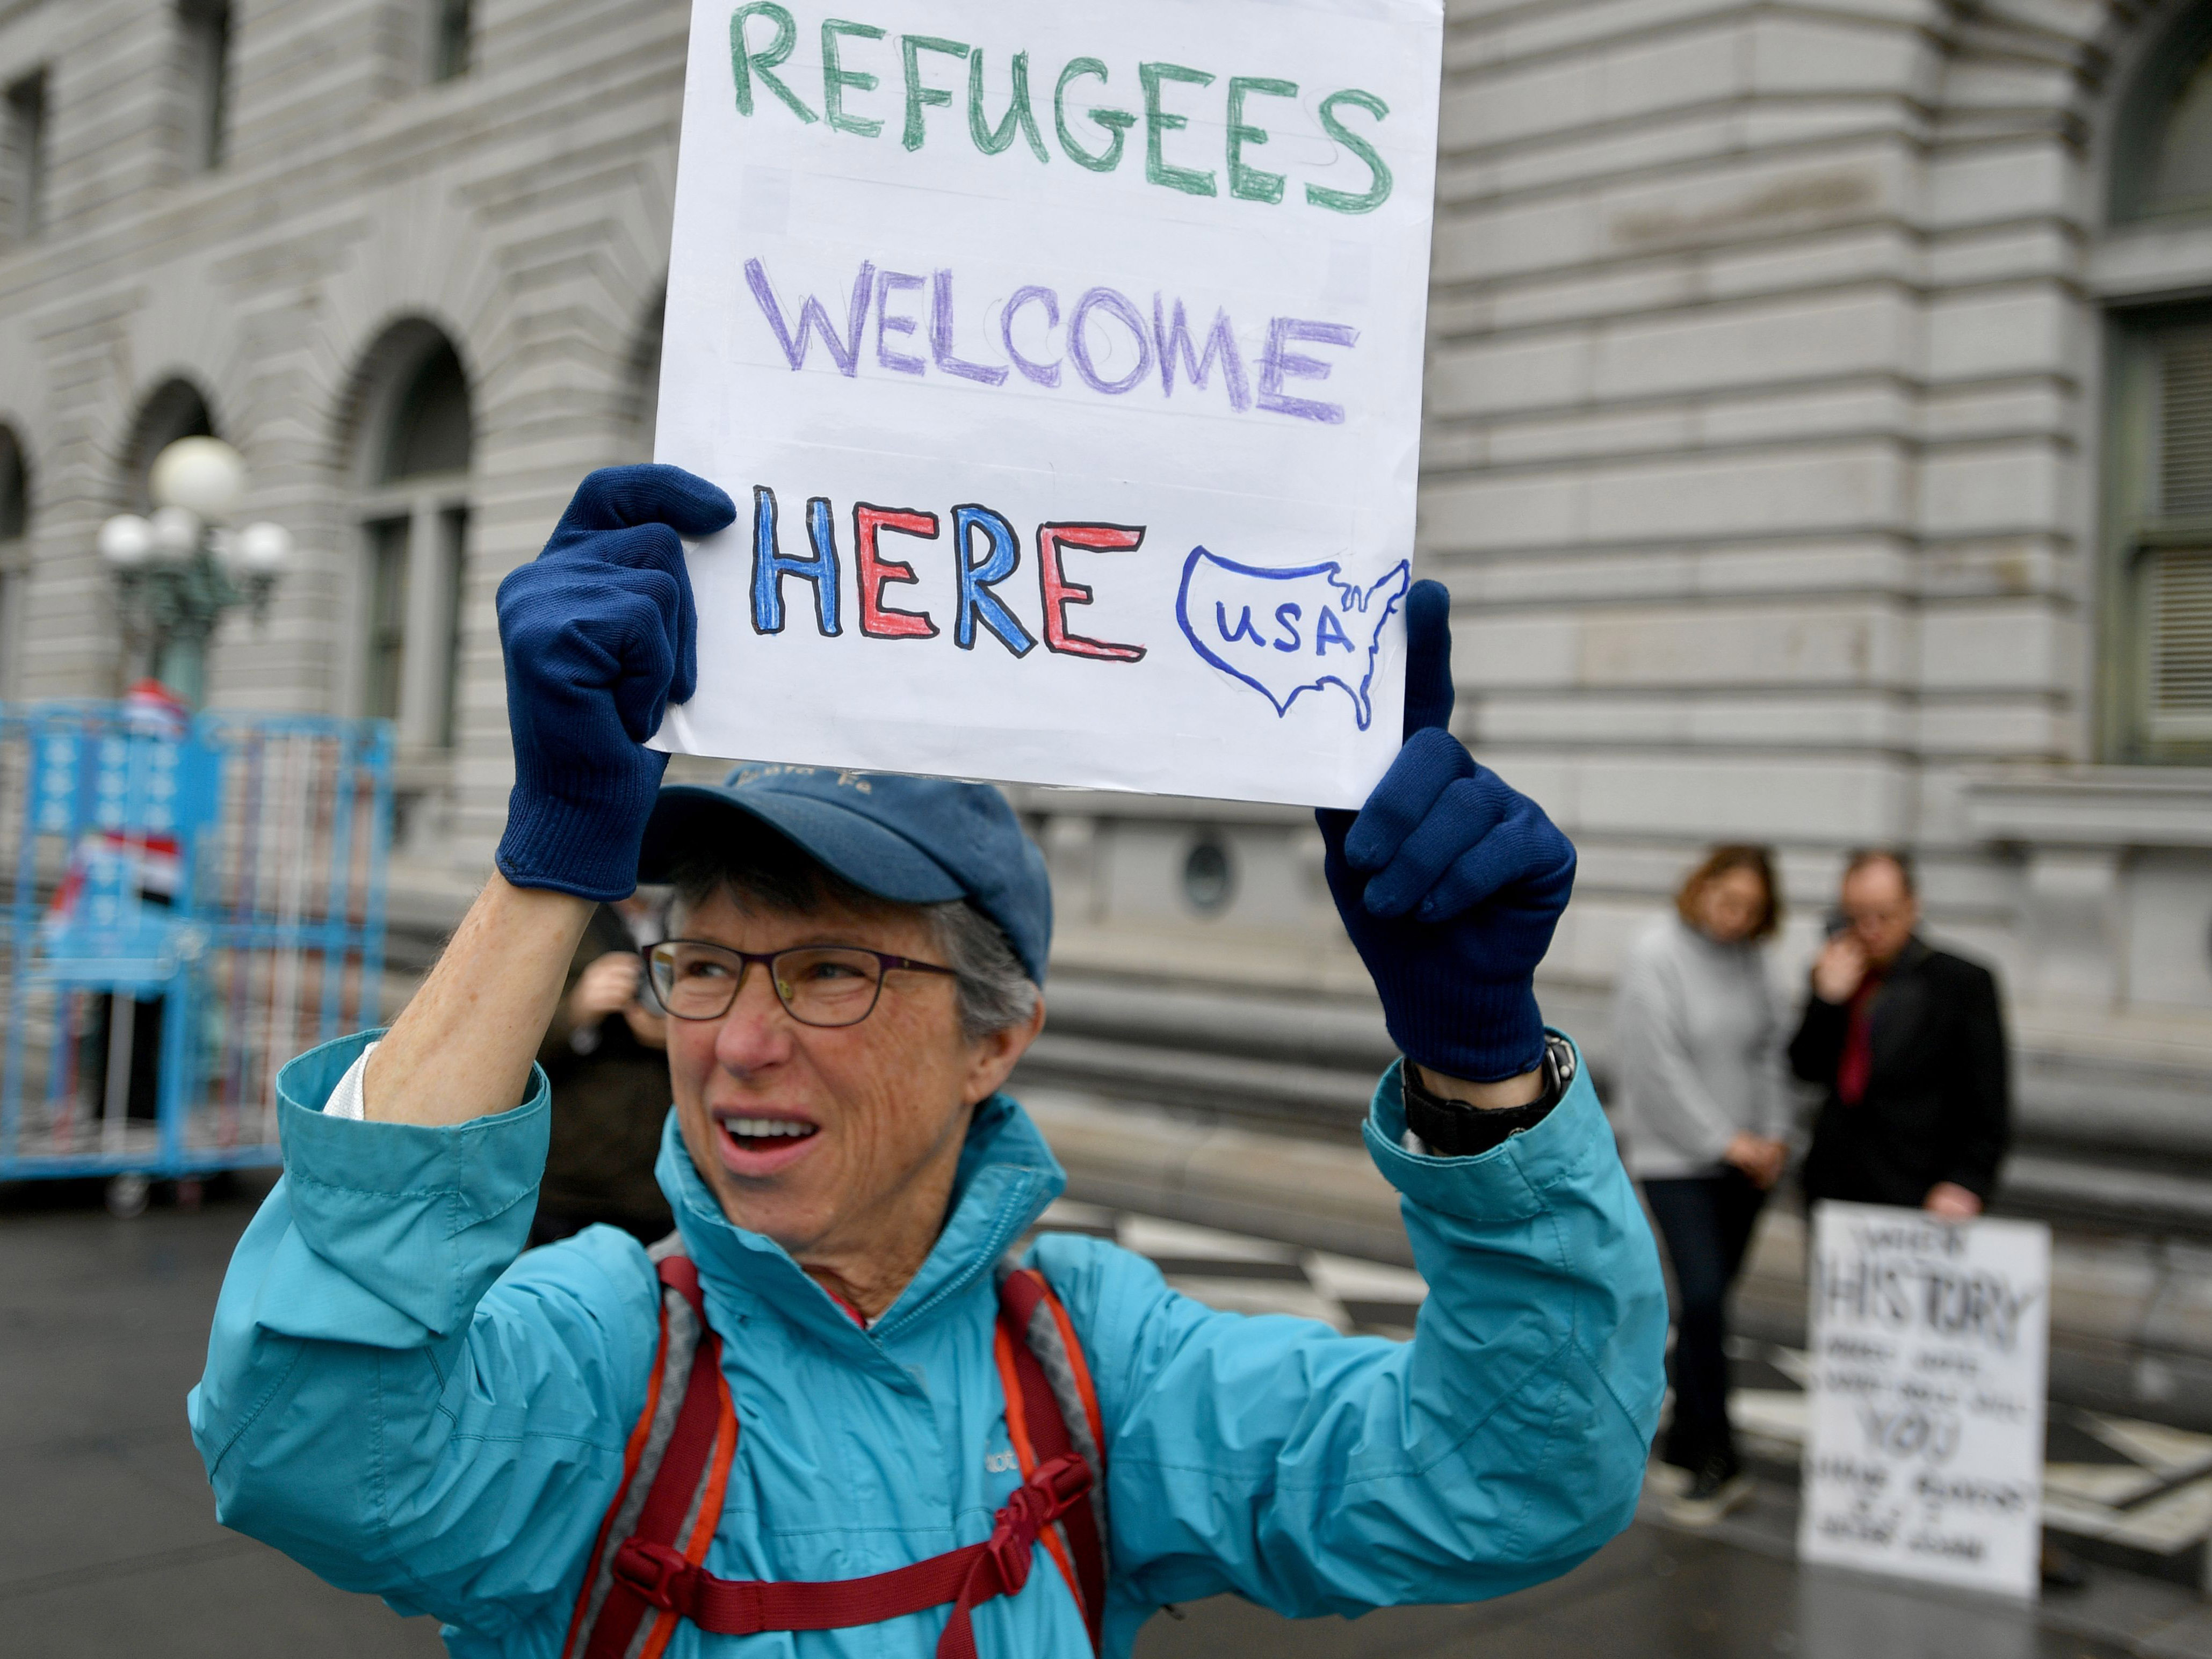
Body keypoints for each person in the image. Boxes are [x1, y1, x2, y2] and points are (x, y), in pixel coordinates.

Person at [188, 467, 1667, 1659]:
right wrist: (543, 864)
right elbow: (307, 1446)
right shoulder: (601, 1354)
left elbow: (1512, 1479)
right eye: (703, 965)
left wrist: (1475, 1064)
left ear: (996, 1037)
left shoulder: (1098, 1365)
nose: (738, 1044)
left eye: (833, 969)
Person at [1610, 846, 1794, 1527]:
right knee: (1707, 1297)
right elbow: (1654, 1070)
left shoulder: (1755, 960)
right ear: (1700, 889)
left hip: (1748, 1165)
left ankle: (1681, 1441)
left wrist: (1774, 1136)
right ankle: (1720, 1454)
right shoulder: (1654, 954)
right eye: (1726, 902)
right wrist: (1725, 1140)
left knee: (1704, 1308)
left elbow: (1772, 1049)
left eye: (1750, 908)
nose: (1734, 918)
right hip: (1675, 1160)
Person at [1790, 849, 2009, 1219]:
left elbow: (1987, 1096)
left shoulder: (1962, 983)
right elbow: (1804, 1067)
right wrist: (1826, 1001)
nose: (1870, 929)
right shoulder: (1837, 973)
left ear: (1912, 907)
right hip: (1835, 1183)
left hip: (1920, 1188)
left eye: (1883, 915)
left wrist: (1967, 1180)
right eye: (1856, 917)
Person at [531, 895, 673, 1245]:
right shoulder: (559, 914)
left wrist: (680, 1034)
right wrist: (577, 1010)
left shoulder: (695, 910)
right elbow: (503, 1045)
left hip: (663, 1186)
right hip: (572, 1187)